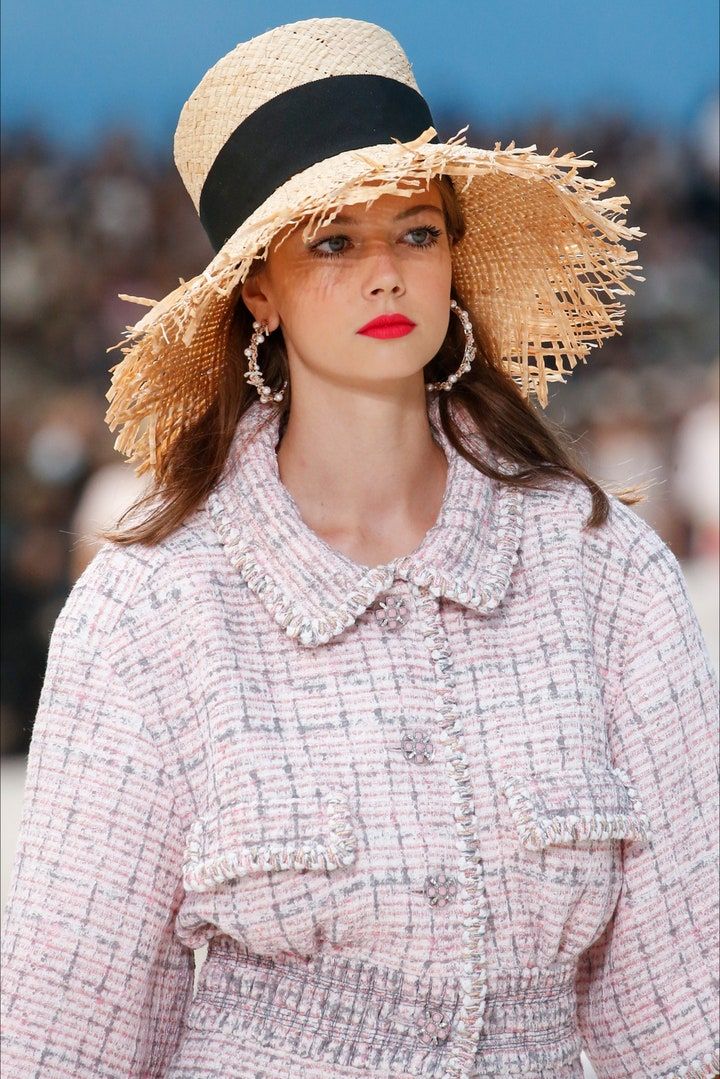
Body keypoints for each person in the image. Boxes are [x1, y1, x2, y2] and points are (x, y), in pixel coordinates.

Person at [1, 17, 718, 1079]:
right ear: (257, 288)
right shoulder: (152, 611)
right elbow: (66, 1039)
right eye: (333, 241)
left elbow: (685, 1021)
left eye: (416, 232)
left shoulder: (604, 576)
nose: (386, 272)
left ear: (451, 259)